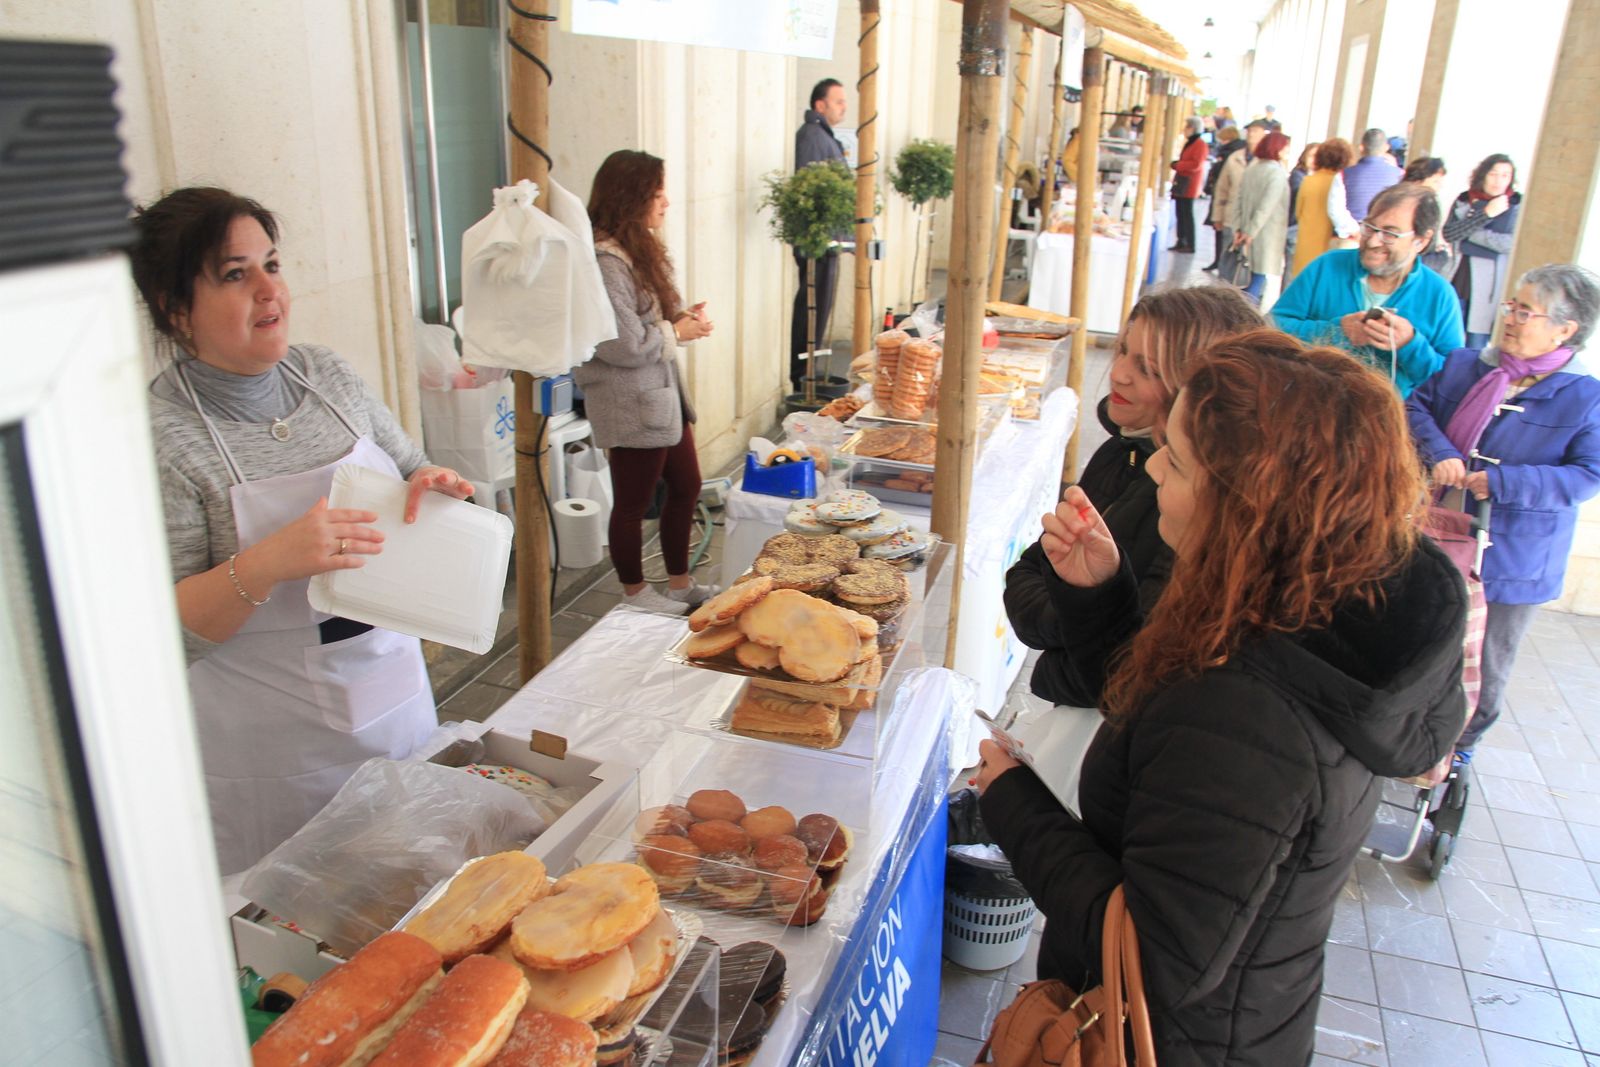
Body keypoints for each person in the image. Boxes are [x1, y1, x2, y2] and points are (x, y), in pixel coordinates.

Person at [978, 332, 1466, 1067]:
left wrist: (1014, 801)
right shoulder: (1300, 608)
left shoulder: (1248, 704)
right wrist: (1101, 597)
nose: (1153, 468)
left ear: (1246, 506)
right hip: (1253, 1019)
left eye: (1176, 460)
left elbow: (1156, 958)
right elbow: (1161, 741)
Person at [132, 187, 477, 874]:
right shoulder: (163, 436)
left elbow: (411, 465)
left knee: (421, 886)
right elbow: (163, 638)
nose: (270, 291)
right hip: (276, 758)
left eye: (272, 264)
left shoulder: (329, 376)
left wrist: (433, 483)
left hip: (395, 702)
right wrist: (265, 563)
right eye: (235, 274)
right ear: (175, 309)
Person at [1004, 286, 1263, 705]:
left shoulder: (1193, 506)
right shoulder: (1119, 451)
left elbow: (1128, 670)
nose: (1119, 373)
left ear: (1201, 391)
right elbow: (1028, 573)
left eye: (1148, 369)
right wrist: (1077, 623)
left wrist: (1069, 634)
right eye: (1123, 350)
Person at [1406, 265, 1600, 759]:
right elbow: (1414, 409)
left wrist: (1505, 482)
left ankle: (1460, 749)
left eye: (1525, 312)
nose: (1509, 318)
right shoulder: (1466, 364)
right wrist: (1440, 451)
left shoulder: (1586, 396)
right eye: (1511, 306)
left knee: (1485, 660)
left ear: (1564, 329)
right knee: (1413, 637)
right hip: (1436, 532)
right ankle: (1403, 737)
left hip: (1516, 556)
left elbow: (1587, 475)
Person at [579, 150, 717, 616]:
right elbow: (621, 345)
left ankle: (680, 584)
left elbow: (646, 320)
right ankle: (635, 593)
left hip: (660, 396)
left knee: (687, 485)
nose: (666, 202)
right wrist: (676, 331)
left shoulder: (635, 250)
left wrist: (681, 318)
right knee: (633, 503)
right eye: (658, 194)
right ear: (631, 197)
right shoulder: (605, 261)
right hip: (630, 401)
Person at [1272, 182, 1464, 396]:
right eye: (1369, 227)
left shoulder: (1440, 296)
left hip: (1392, 413)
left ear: (1421, 241)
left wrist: (1410, 345)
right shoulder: (1326, 267)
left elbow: (1452, 382)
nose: (1372, 242)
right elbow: (1270, 327)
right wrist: (1336, 332)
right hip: (1312, 403)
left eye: (1389, 234)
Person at [790, 78, 848, 394]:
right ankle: (802, 375)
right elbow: (811, 188)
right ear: (820, 105)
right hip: (818, 241)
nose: (844, 107)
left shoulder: (822, 135)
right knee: (812, 307)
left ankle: (807, 372)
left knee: (819, 307)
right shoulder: (812, 137)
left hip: (826, 239)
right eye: (838, 101)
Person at [1444, 154, 1522, 348]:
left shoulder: (1515, 205)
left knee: (1476, 341)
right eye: (1493, 174)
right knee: (1448, 332)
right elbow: (1450, 233)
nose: (1498, 181)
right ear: (1483, 175)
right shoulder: (1465, 200)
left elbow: (1510, 244)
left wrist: (1471, 232)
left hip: (1490, 284)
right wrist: (1486, 214)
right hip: (1458, 274)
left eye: (1505, 175)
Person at [1231, 130, 1293, 310]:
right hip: (1265, 233)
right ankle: (1248, 314)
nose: (1287, 152)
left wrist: (1238, 228)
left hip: (1247, 229)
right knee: (1258, 277)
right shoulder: (1276, 173)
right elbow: (1267, 206)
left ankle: (1244, 310)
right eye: (1286, 148)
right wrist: (1251, 232)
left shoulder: (1252, 168)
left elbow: (1238, 199)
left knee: (1251, 274)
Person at [1210, 119, 1267, 280]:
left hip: (1255, 223)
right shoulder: (1235, 157)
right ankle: (1223, 289)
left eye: (1256, 131)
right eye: (1249, 130)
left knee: (1251, 266)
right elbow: (1222, 188)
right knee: (1227, 258)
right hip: (1231, 216)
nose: (1251, 134)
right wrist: (1217, 215)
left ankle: (1244, 293)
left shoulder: (1268, 162)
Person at [1291, 138, 1356, 275]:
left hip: (1305, 243)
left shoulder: (1308, 180)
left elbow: (1298, 212)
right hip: (1328, 245)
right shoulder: (1339, 182)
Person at [1200, 126, 1244, 272]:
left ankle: (1220, 264)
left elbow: (1222, 183)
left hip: (1228, 206)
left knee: (1224, 237)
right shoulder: (1234, 154)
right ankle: (1220, 263)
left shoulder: (1229, 154)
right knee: (1223, 236)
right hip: (1227, 204)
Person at [1403, 158, 1452, 275]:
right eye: (1435, 181)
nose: (1440, 186)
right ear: (1417, 181)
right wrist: (1442, 257)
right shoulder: (1417, 207)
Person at [1342, 127, 1404, 222]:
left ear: (1361, 147)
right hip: (1381, 227)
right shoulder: (1399, 174)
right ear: (1386, 147)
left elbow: (1336, 207)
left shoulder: (1344, 174)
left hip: (1352, 226)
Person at [1169, 115, 1208, 254]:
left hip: (1189, 184)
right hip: (1183, 182)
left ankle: (1190, 243)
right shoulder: (1191, 142)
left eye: (1187, 127)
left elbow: (1196, 165)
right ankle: (1181, 240)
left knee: (1187, 214)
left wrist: (1178, 165)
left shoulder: (1200, 144)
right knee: (1180, 213)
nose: (1185, 129)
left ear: (1192, 128)